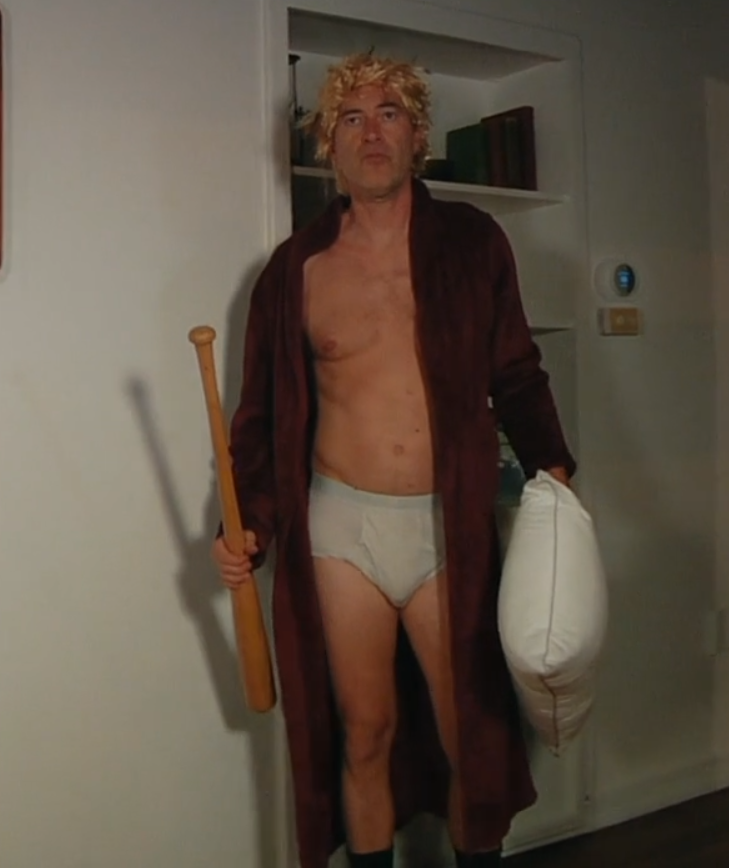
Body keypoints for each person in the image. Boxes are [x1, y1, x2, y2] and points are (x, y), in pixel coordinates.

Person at [211, 52, 576, 868]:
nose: (370, 133)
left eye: (389, 114)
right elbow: (260, 422)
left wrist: (556, 479)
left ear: (417, 138)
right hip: (342, 531)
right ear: (329, 144)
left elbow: (517, 372)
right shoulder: (295, 271)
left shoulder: (473, 243)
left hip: (449, 530)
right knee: (365, 731)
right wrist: (249, 527)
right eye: (351, 117)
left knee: (467, 736)